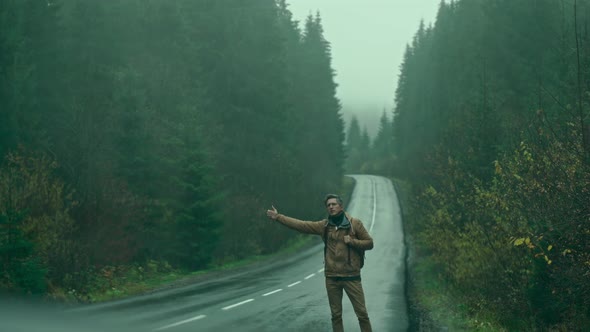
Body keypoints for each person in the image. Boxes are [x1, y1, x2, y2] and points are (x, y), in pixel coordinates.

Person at [266, 194, 374, 332]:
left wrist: (352, 241)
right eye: (328, 205)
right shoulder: (324, 226)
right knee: (336, 316)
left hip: (351, 276)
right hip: (332, 278)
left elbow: (369, 243)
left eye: (334, 204)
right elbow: (302, 225)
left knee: (362, 314)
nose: (331, 207)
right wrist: (278, 217)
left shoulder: (354, 224)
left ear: (341, 206)